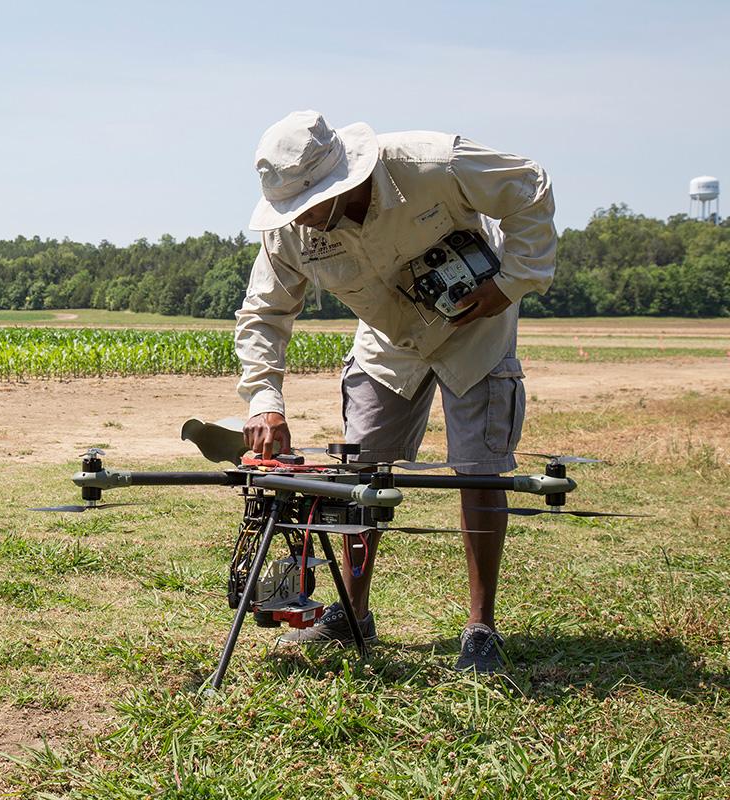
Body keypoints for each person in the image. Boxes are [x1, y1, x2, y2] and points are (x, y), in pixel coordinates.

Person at [234, 110, 557, 672]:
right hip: (387, 342)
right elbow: (264, 313)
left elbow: (528, 185)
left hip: (474, 325)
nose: (301, 218)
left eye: (308, 204)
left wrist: (512, 283)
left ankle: (481, 628)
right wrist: (265, 399)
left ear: (341, 182)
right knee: (360, 478)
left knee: (479, 471)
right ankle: (353, 614)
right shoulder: (290, 230)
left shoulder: (432, 162)